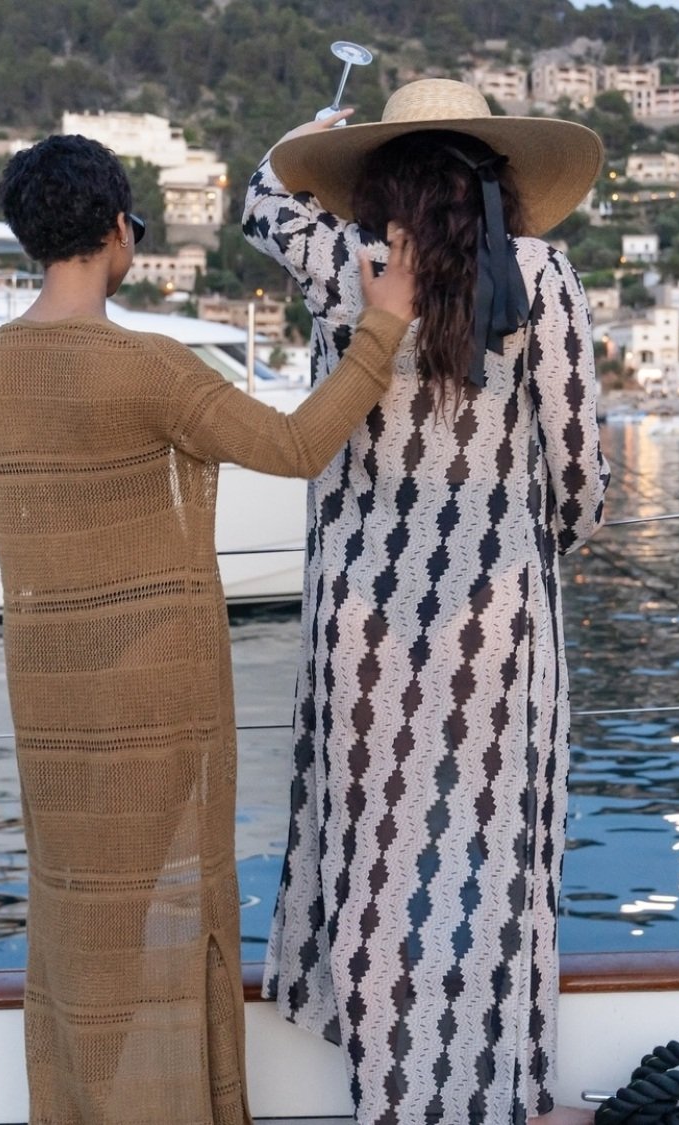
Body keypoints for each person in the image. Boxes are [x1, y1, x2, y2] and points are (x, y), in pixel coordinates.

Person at [0, 133, 417, 1125]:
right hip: (157, 693)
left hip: (49, 700)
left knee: (81, 915)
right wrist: (382, 328)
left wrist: (76, 578)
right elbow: (295, 446)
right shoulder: (151, 368)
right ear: (119, 231)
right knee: (173, 913)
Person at [243, 81, 612, 1124]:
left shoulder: (343, 267)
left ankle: (386, 1097)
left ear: (376, 178)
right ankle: (490, 1099)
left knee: (375, 865)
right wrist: (526, 545)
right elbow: (581, 477)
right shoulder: (539, 275)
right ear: (496, 175)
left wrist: (307, 137)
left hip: (358, 621)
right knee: (487, 870)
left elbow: (258, 197)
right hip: (497, 627)